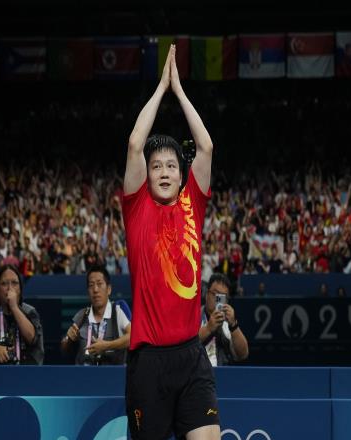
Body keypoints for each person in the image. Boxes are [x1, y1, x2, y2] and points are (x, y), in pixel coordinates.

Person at [122, 45, 219, 439]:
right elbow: (135, 144)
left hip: (192, 356)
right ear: (147, 176)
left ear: (182, 176)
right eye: (156, 166)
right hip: (149, 363)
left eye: (171, 166)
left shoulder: (193, 201)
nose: (164, 171)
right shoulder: (137, 207)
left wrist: (180, 92)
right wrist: (161, 89)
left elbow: (206, 146)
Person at [0, 264, 44, 365]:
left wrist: (14, 307)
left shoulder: (30, 312)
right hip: (0, 373)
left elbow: (32, 338)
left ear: (20, 289)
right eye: (4, 283)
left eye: (14, 283)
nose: (10, 288)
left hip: (28, 372)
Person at [61, 264, 130, 365]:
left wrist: (107, 345)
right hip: (84, 373)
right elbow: (64, 349)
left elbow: (132, 337)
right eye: (91, 285)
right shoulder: (82, 315)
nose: (95, 290)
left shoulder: (117, 312)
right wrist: (68, 339)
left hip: (112, 373)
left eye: (99, 284)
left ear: (109, 289)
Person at [199, 273, 249, 367]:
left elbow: (243, 354)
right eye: (215, 294)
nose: (218, 300)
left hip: (223, 372)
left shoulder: (228, 322)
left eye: (222, 297)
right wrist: (208, 329)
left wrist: (234, 326)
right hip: (198, 373)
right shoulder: (194, 316)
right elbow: (186, 346)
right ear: (207, 294)